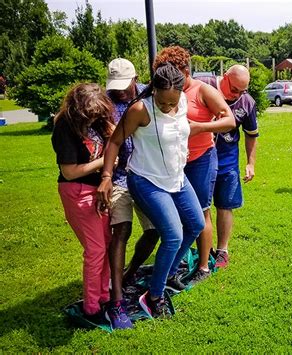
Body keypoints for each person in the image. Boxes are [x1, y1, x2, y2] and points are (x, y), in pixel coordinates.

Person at [97, 62, 205, 319]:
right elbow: (114, 142)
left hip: (176, 178)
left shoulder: (182, 103)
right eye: (163, 102)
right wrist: (107, 175)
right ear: (153, 90)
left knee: (195, 225)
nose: (168, 107)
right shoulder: (139, 109)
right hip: (146, 180)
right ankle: (153, 296)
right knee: (173, 235)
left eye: (172, 102)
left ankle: (163, 272)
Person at [151, 46, 236, 284]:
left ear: (186, 71)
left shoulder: (203, 90)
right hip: (173, 163)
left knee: (201, 212)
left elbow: (229, 120)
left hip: (200, 159)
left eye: (175, 73)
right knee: (178, 215)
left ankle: (203, 267)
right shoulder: (165, 89)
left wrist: (200, 127)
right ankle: (178, 261)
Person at [51, 83, 115, 323]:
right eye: (91, 113)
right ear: (78, 109)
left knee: (107, 244)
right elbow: (69, 172)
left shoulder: (98, 120)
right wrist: (105, 163)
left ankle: (104, 294)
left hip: (99, 190)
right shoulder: (64, 126)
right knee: (96, 249)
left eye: (100, 112)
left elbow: (115, 135)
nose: (96, 116)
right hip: (77, 191)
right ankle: (91, 306)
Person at [104, 58, 160, 329]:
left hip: (145, 175)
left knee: (154, 231)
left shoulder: (149, 95)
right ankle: (116, 300)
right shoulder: (104, 103)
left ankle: (129, 274)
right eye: (116, 87)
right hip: (118, 179)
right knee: (121, 230)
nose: (121, 92)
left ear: (135, 78)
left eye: (125, 86)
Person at [197, 65, 259, 268]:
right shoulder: (204, 86)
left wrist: (250, 163)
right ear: (225, 78)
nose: (238, 95)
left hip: (227, 159)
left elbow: (251, 135)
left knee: (226, 204)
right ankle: (202, 250)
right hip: (201, 158)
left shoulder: (247, 102)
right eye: (235, 90)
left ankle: (222, 250)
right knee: (200, 207)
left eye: (243, 90)